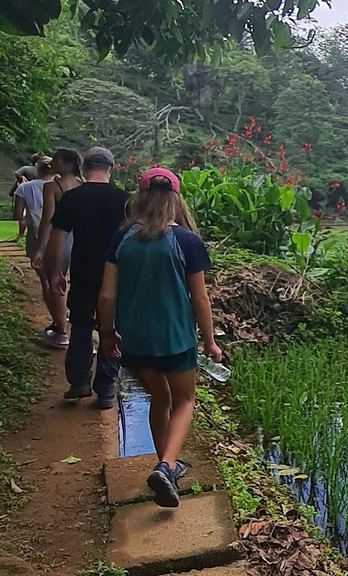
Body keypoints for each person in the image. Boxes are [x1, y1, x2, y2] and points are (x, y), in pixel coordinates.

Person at [98, 167, 221, 508]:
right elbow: (200, 298)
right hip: (176, 340)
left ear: (140, 198)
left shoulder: (122, 239)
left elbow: (106, 296)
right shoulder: (187, 241)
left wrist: (107, 333)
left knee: (159, 398)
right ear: (176, 199)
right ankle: (167, 465)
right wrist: (210, 341)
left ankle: (166, 462)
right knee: (184, 401)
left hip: (135, 342)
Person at [44, 146, 129, 409]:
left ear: (85, 168)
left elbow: (56, 239)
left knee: (81, 325)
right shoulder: (124, 200)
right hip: (116, 274)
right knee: (112, 327)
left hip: (82, 271)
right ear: (111, 169)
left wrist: (56, 272)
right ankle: (105, 389)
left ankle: (79, 381)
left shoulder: (72, 197)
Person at [33, 148, 82, 348]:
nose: (52, 163)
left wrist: (40, 249)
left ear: (67, 164)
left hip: (60, 238)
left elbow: (47, 220)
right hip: (80, 238)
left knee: (56, 282)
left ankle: (61, 331)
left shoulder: (52, 187)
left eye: (57, 160)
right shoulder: (83, 184)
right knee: (74, 283)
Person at [12, 156, 63, 330]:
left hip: (35, 238)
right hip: (59, 239)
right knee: (60, 279)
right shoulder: (62, 187)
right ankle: (61, 321)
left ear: (37, 170)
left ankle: (57, 321)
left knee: (46, 281)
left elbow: (17, 215)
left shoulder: (24, 188)